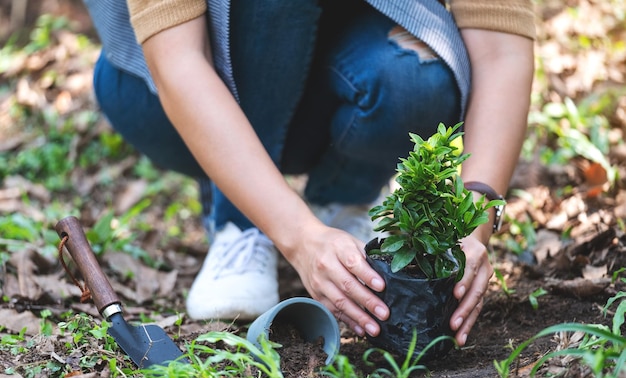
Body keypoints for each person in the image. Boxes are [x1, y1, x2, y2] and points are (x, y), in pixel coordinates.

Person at [84, 0, 535, 347]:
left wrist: (473, 218)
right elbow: (177, 61)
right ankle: (240, 223)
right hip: (156, 87)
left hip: (336, 67)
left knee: (414, 78)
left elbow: (501, 49)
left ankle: (342, 203)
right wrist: (298, 237)